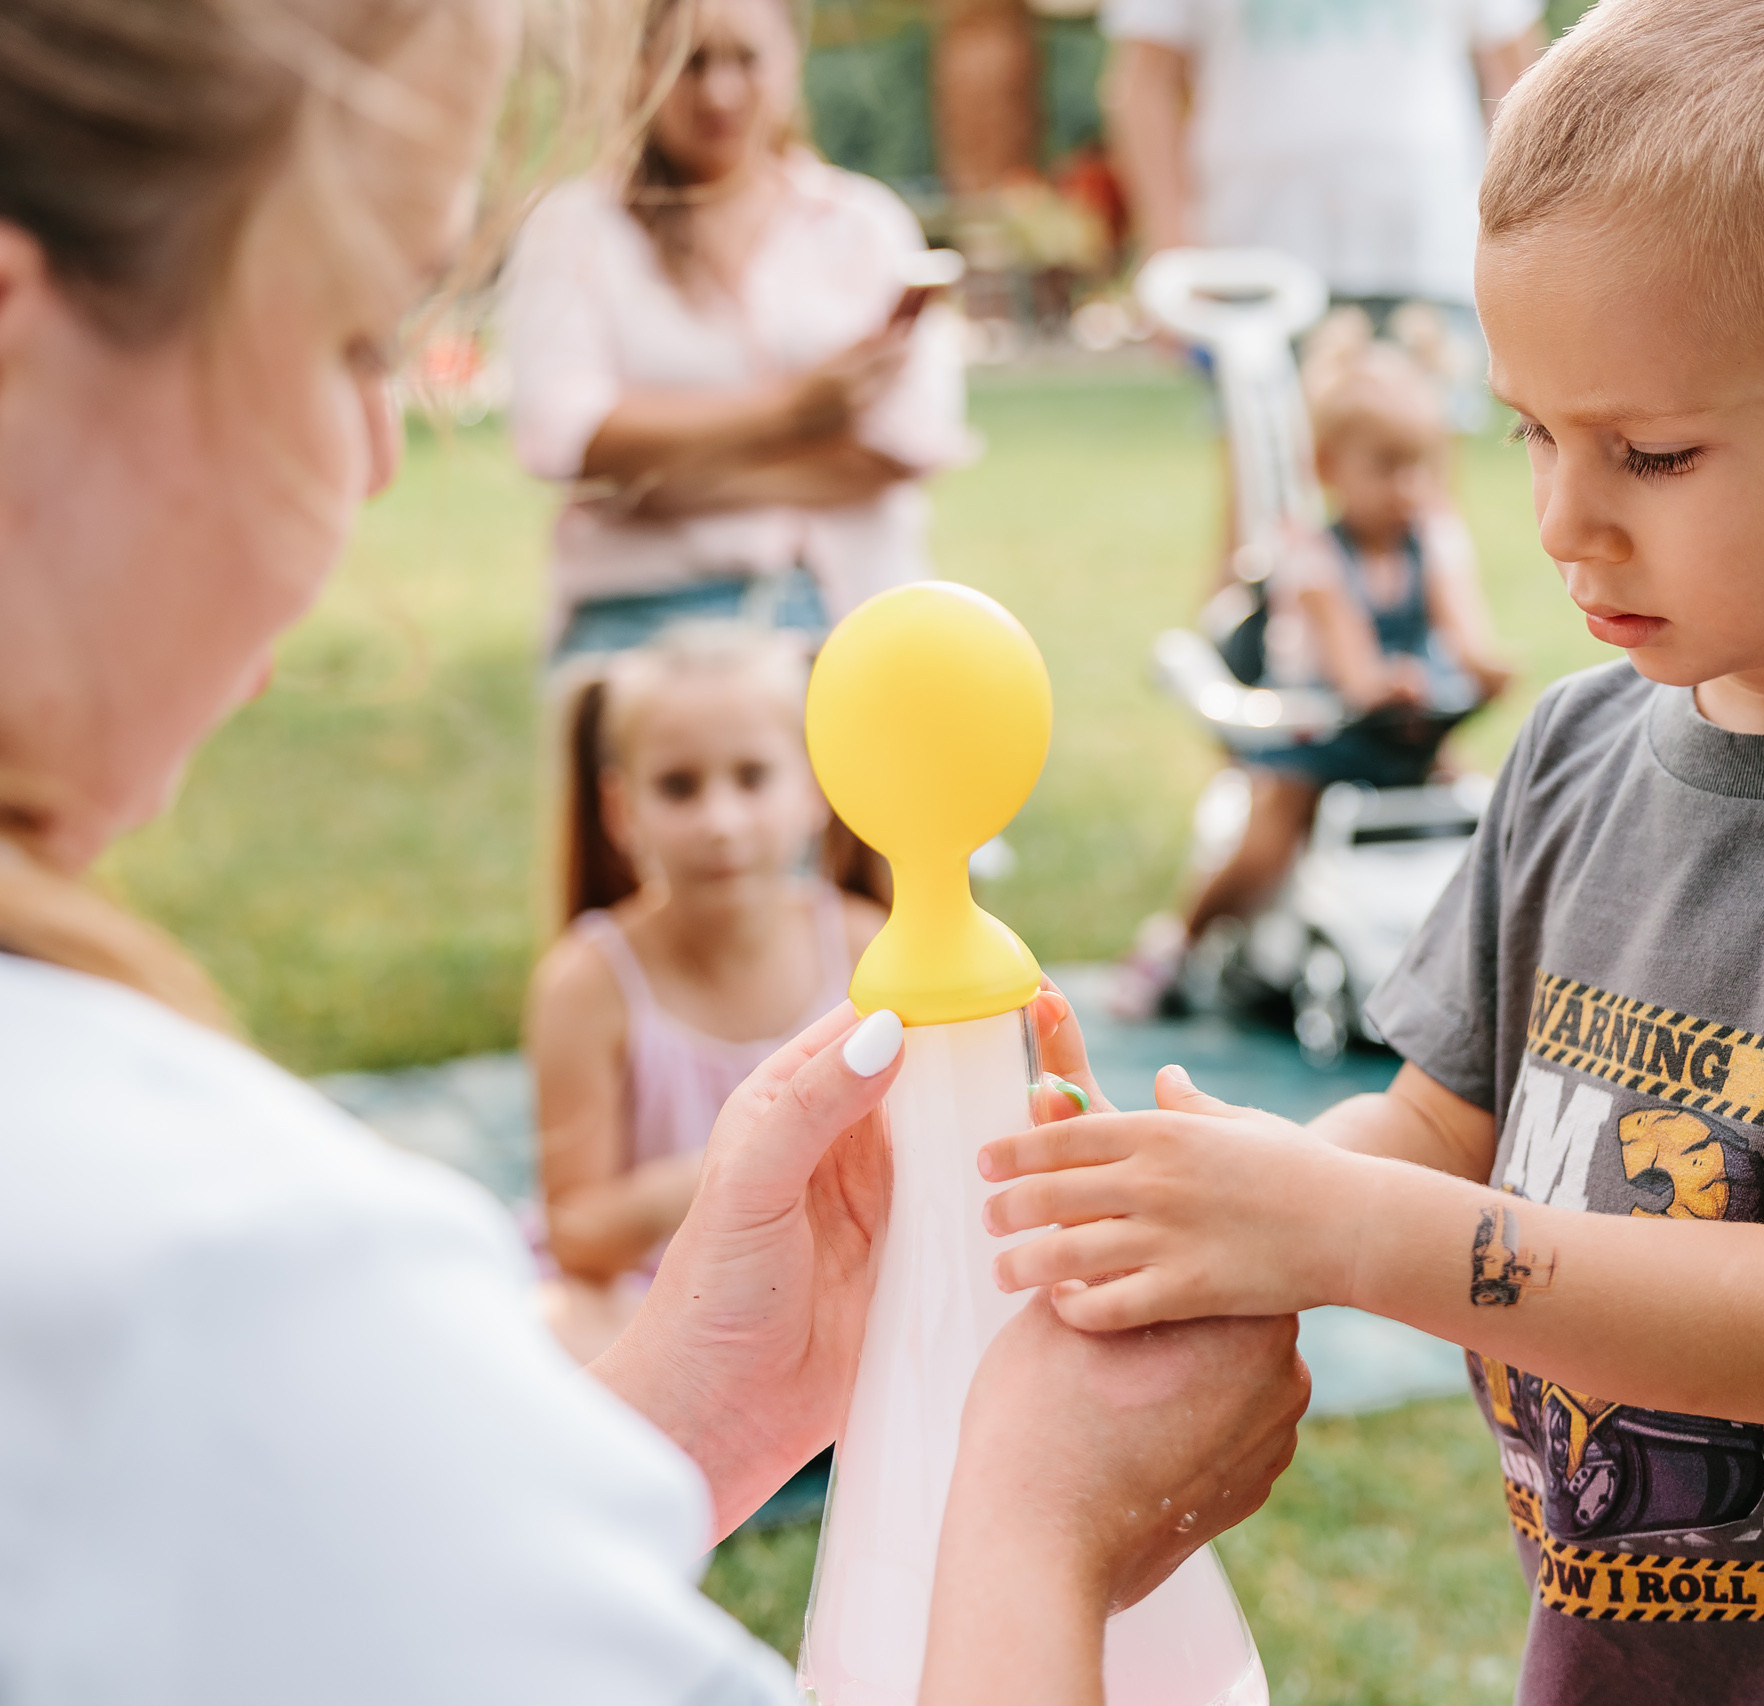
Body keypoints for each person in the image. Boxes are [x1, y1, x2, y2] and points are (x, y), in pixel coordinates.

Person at [0, 5, 1303, 1703]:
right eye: (347, 344)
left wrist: (699, 1409)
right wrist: (1039, 1530)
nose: (384, 454)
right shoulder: (190, 1280)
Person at [983, 2, 1764, 1701]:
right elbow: (1440, 1126)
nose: (1559, 520)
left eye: (1651, 452)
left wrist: (1344, 1231)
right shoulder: (1582, 747)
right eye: (1530, 429)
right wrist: (1221, 1190)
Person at [502, 0, 973, 663]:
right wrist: (797, 413)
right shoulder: (575, 230)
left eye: (746, 59)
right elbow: (561, 434)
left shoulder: (863, 225)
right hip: (643, 619)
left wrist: (653, 482)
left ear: (790, 62)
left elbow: (907, 444)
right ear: (640, 71)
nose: (718, 91)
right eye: (688, 63)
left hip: (855, 613)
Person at [1113, 312, 1512, 1017]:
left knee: (1493, 814)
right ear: (1328, 469)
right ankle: (1174, 944)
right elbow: (1356, 673)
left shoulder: (1433, 541)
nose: (1408, 486)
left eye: (1419, 465)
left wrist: (1485, 669)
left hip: (1406, 729)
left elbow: (1468, 636)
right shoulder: (1316, 559)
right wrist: (1390, 685)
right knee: (1271, 830)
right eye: (1386, 468)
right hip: (1318, 737)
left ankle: (1475, 966)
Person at [527, 624, 890, 1360]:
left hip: (838, 1282)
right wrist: (734, 1171)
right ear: (621, 810)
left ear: (815, 788)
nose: (720, 822)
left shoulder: (867, 948)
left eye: (753, 777)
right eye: (678, 786)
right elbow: (578, 1237)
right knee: (556, 1329)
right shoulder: (587, 983)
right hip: (663, 1310)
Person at [1101, 0, 1546, 426]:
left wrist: (1521, 234)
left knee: (1411, 470)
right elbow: (1144, 81)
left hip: (1425, 239)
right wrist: (1170, 240)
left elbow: (1519, 75)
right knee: (1262, 473)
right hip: (1254, 246)